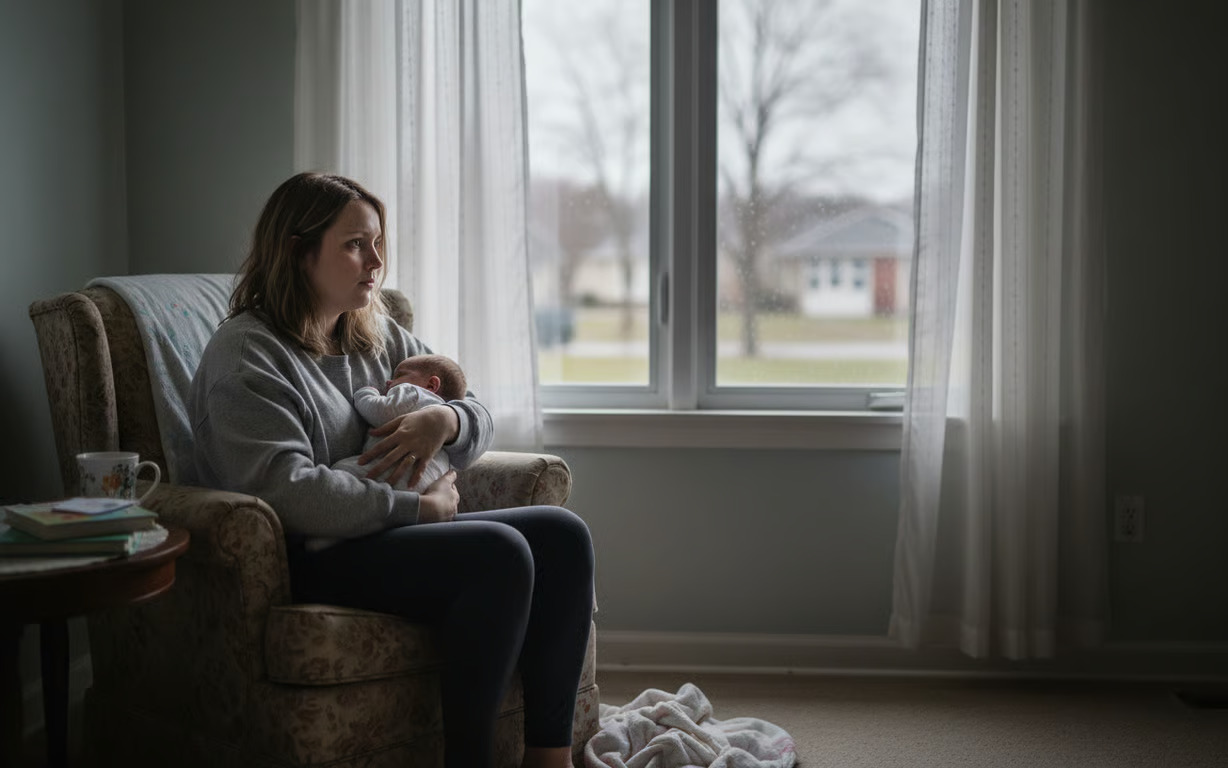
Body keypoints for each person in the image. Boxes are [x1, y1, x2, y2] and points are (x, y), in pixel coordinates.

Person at [186, 172, 594, 768]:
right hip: (314, 552)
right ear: (298, 251)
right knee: (501, 553)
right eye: (355, 244)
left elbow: (472, 406)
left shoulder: (372, 330)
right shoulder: (247, 355)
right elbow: (284, 491)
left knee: (563, 536)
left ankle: (548, 759)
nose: (375, 261)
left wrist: (444, 424)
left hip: (385, 536)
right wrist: (418, 507)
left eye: (377, 242)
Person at [332, 353, 468, 493]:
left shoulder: (415, 394)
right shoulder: (446, 416)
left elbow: (381, 411)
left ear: (431, 385)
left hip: (395, 475)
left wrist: (365, 394)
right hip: (427, 485)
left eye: (399, 376)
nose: (388, 382)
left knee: (338, 471)